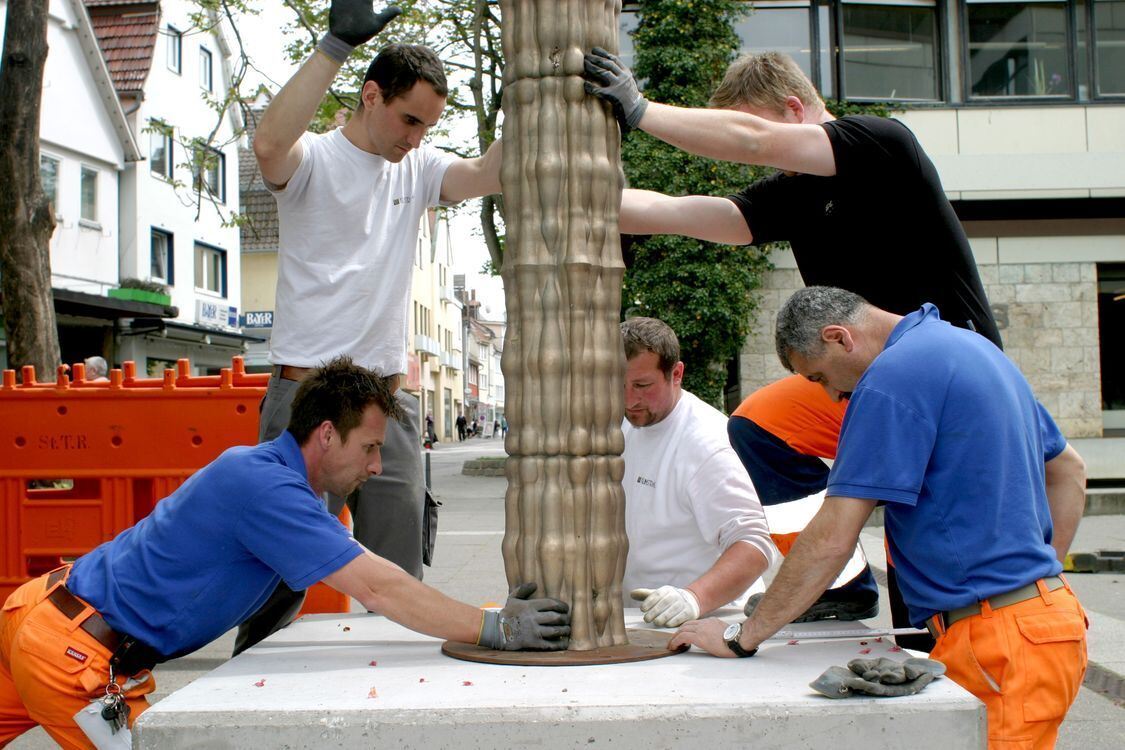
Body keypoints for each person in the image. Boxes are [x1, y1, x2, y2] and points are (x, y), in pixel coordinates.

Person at [585, 48, 1004, 642]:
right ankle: (844, 584)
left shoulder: (880, 144)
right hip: (866, 379)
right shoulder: (798, 191)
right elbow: (683, 212)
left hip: (951, 372)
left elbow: (755, 141)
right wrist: (567, 195)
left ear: (792, 108)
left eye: (755, 125)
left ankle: (938, 642)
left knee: (929, 521)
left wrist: (641, 110)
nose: (756, 150)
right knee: (760, 422)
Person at [0, 357, 569, 748]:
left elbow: (376, 570)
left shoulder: (273, 481)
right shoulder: (268, 490)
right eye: (370, 448)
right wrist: (492, 627)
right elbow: (378, 586)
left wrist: (485, 613)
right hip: (74, 654)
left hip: (44, 609)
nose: (377, 466)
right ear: (326, 435)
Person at [671, 287, 1088, 749]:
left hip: (998, 637)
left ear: (838, 338)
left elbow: (833, 536)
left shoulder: (892, 376)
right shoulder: (971, 348)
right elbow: (1069, 470)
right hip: (1038, 622)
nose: (832, 394)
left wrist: (742, 636)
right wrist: (1035, 584)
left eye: (821, 376)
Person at [239, 0, 503, 654]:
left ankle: (396, 702)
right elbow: (268, 143)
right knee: (277, 577)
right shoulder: (313, 163)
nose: (415, 137)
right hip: (307, 401)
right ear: (369, 95)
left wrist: (536, 86)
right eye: (408, 118)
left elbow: (490, 173)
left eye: (428, 125)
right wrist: (333, 43)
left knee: (398, 573)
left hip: (388, 401)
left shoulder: (418, 169)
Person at [620, 317, 777, 628]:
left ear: (676, 373)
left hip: (709, 619)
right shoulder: (626, 423)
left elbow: (755, 544)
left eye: (642, 385)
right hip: (644, 619)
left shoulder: (705, 443)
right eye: (618, 385)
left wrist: (693, 597)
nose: (629, 399)